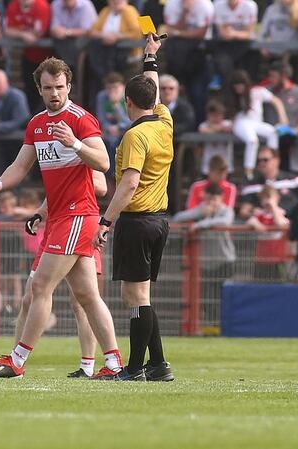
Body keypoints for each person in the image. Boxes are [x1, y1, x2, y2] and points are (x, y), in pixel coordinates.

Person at [0, 57, 124, 380]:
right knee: (86, 295)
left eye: (60, 87)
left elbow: (102, 163)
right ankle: (114, 363)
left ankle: (17, 360)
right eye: (48, 88)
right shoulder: (36, 124)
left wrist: (74, 143)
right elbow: (21, 165)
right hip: (59, 217)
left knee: (40, 286)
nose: (54, 93)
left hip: (77, 216)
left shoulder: (81, 119)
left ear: (69, 86)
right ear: (40, 90)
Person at [95, 34, 174, 382]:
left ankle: (135, 367)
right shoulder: (165, 122)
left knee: (134, 296)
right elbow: (152, 88)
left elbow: (128, 183)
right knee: (143, 295)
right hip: (159, 220)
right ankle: (158, 365)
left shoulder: (133, 136)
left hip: (136, 220)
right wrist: (150, 56)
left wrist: (106, 221)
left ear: (127, 102)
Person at [18, 170, 108, 378]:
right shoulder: (51, 153)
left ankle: (89, 365)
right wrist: (40, 213)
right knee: (29, 298)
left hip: (78, 224)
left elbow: (102, 186)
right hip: (54, 229)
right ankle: (15, 363)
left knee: (82, 301)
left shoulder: (81, 149)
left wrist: (71, 181)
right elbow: (54, 192)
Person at [231, 70, 287, 180]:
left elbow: (276, 101)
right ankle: (249, 172)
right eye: (235, 86)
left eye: (240, 85)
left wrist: (282, 118)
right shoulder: (233, 97)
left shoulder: (258, 91)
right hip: (241, 123)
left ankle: (272, 164)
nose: (238, 88)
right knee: (252, 141)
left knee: (273, 132)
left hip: (257, 123)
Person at [85, 0, 141, 107]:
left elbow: (137, 33)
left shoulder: (129, 11)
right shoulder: (106, 11)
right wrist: (104, 36)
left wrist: (117, 36)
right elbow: (92, 31)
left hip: (127, 56)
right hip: (104, 56)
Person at [4, 0, 52, 113]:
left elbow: (38, 33)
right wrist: (23, 34)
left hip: (48, 56)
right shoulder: (14, 5)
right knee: (30, 88)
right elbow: (8, 30)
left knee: (48, 89)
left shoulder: (41, 5)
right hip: (28, 55)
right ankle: (33, 119)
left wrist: (19, 30)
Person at [239, 147, 298, 218]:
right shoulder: (252, 185)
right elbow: (244, 211)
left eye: (265, 160)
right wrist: (254, 213)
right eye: (259, 161)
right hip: (264, 225)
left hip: (290, 223)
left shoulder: (295, 180)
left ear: (277, 161)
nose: (261, 163)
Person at [95, 72, 130, 178]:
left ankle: (117, 174)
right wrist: (109, 128)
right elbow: (101, 118)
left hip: (125, 132)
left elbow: (130, 121)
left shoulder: (128, 98)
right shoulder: (102, 96)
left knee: (116, 143)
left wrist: (116, 105)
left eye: (115, 87)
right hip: (109, 132)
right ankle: (108, 175)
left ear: (123, 87)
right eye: (109, 88)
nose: (112, 91)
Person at [198, 99, 234, 176]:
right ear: (208, 115)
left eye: (219, 115)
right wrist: (219, 129)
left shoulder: (227, 123)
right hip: (208, 168)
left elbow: (229, 128)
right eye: (213, 115)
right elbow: (202, 130)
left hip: (225, 167)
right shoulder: (204, 125)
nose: (216, 118)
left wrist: (215, 128)